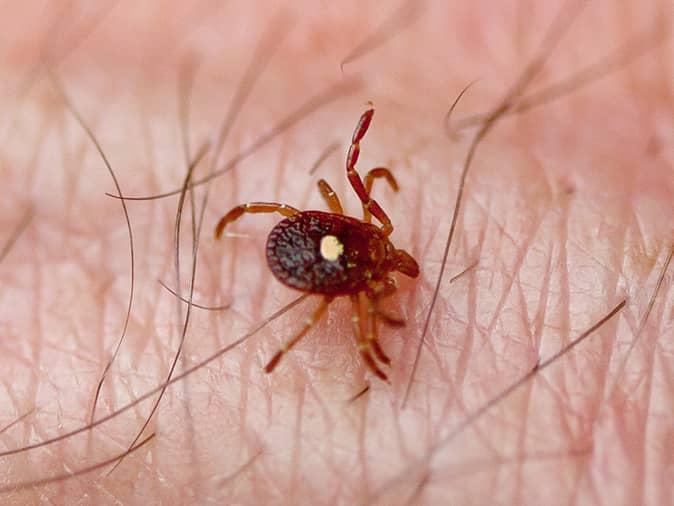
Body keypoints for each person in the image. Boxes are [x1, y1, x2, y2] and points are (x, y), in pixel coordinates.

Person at [0, 1, 671, 504]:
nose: (399, 263)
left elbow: (354, 183)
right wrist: (364, 331)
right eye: (392, 264)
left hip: (306, 253)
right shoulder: (367, 265)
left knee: (317, 210)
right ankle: (258, 256)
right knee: (319, 230)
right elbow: (356, 195)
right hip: (305, 254)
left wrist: (376, 311)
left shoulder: (370, 249)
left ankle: (245, 228)